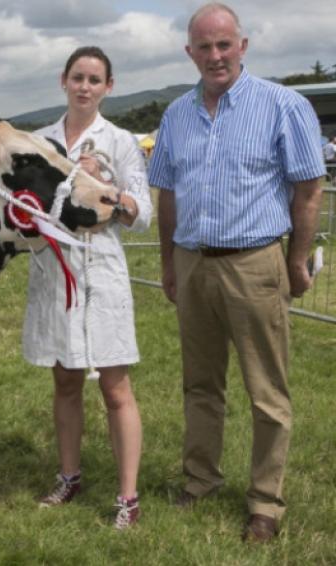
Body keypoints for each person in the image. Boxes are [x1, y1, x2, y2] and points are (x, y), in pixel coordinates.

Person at [148, 3, 325, 543]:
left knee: (266, 389)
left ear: (242, 46)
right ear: (189, 53)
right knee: (200, 383)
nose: (215, 55)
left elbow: (309, 187)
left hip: (254, 263)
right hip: (193, 261)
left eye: (224, 44)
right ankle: (200, 478)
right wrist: (168, 263)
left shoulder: (283, 105)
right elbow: (167, 194)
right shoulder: (176, 114)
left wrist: (296, 259)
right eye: (204, 46)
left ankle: (266, 502)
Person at [22, 46, 152, 529]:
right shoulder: (40, 142)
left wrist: (109, 192)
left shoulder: (119, 142)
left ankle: (128, 497)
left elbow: (143, 214)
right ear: (64, 80)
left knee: (115, 387)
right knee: (65, 380)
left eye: (95, 80)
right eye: (78, 77)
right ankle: (70, 475)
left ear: (108, 87)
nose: (85, 86)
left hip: (102, 270)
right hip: (54, 270)